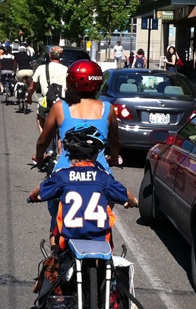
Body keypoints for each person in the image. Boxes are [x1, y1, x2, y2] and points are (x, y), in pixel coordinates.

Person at [32, 59, 122, 249]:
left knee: (57, 223)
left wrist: (39, 157)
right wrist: (113, 157)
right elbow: (115, 140)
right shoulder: (108, 109)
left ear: (70, 81)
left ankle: (55, 258)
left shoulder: (60, 108)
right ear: (98, 82)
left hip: (66, 172)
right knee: (103, 221)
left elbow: (43, 140)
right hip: (99, 173)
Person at [29, 125, 138, 254]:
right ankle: (110, 262)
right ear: (95, 153)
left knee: (56, 228)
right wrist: (134, 202)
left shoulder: (62, 175)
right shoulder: (103, 176)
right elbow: (127, 195)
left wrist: (32, 196)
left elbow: (39, 189)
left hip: (69, 235)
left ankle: (54, 258)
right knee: (108, 253)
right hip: (99, 236)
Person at [26, 46, 67, 134]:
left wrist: (29, 97)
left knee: (40, 117)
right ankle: (60, 146)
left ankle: (44, 138)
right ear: (61, 56)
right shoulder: (66, 69)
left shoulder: (41, 68)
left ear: (50, 55)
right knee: (61, 131)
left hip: (47, 101)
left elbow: (32, 87)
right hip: (62, 103)